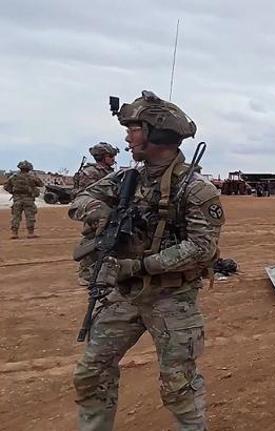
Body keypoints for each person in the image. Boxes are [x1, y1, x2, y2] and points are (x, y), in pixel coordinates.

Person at [69, 90, 222, 430]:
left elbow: (202, 248)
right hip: (123, 295)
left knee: (178, 385)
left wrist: (139, 266)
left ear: (158, 132)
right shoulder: (128, 178)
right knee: (92, 373)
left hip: (172, 299)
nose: (127, 136)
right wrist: (101, 212)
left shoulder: (196, 190)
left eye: (135, 128)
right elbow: (79, 200)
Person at [73, 142, 120, 285]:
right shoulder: (91, 172)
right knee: (92, 239)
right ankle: (85, 273)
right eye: (110, 156)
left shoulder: (108, 171)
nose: (113, 159)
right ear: (101, 156)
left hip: (108, 210)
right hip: (95, 211)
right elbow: (87, 194)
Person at [4, 160, 43, 239]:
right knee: (30, 216)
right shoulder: (32, 177)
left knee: (16, 216)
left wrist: (13, 192)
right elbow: (41, 184)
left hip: (17, 199)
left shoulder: (13, 177)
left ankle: (14, 233)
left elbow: (6, 186)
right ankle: (30, 233)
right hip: (28, 199)